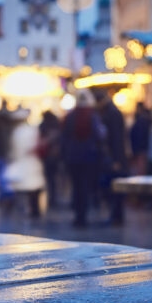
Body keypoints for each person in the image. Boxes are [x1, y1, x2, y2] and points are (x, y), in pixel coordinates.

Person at [60, 89, 106, 227]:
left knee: (76, 186)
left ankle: (78, 215)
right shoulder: (92, 116)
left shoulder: (70, 116)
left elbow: (64, 137)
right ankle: (83, 215)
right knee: (85, 186)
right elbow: (100, 135)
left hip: (73, 156)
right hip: (88, 156)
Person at [92, 87, 127, 226]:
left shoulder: (112, 114)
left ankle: (117, 216)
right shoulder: (109, 112)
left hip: (114, 158)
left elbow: (117, 138)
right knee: (112, 188)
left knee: (114, 188)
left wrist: (117, 160)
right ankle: (115, 216)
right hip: (112, 157)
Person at [4, 108, 45, 218]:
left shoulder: (15, 132)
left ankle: (21, 209)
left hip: (21, 163)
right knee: (33, 189)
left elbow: (11, 150)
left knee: (21, 189)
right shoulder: (32, 130)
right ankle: (34, 210)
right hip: (32, 163)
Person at [36, 110, 62, 208]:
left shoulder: (43, 126)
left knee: (48, 178)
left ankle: (50, 198)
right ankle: (53, 198)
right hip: (54, 155)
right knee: (53, 179)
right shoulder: (56, 125)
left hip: (46, 155)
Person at [129, 102, 152, 176]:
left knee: (140, 170)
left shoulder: (141, 120)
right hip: (140, 148)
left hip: (140, 149)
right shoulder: (142, 119)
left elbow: (139, 135)